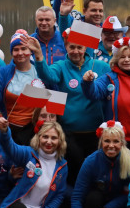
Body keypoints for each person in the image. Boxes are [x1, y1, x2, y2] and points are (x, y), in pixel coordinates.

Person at [33, 28, 110, 183]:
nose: (76, 51)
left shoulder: (100, 66)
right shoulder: (61, 66)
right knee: (75, 172)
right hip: (70, 133)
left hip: (96, 132)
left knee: (95, 173)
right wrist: (39, 57)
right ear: (66, 47)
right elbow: (47, 75)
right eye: (71, 47)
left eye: (79, 47)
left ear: (86, 47)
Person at [71, 121, 130, 208]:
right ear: (101, 142)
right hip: (94, 202)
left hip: (116, 204)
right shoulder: (90, 161)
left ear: (122, 143)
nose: (111, 145)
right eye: (107, 141)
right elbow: (77, 196)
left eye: (116, 141)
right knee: (94, 197)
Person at [0, 31, 46, 146]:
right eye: (16, 49)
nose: (20, 53)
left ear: (30, 51)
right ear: (11, 52)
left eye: (24, 49)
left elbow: (53, 94)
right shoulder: (4, 71)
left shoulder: (40, 70)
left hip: (35, 130)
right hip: (9, 129)